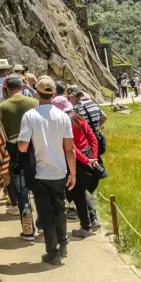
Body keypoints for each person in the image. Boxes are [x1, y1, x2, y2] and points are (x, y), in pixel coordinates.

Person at [18, 76, 75, 265]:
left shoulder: (30, 116)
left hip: (40, 172)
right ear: (54, 94)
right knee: (60, 209)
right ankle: (63, 244)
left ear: (37, 93)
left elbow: (22, 147)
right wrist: (73, 173)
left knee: (46, 213)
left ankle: (53, 252)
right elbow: (69, 149)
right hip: (60, 171)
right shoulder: (63, 117)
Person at [0, 74, 39, 240]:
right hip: (37, 154)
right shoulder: (35, 103)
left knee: (22, 194)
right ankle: (43, 226)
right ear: (23, 86)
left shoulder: (2, 108)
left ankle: (28, 230)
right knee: (40, 191)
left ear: (6, 89)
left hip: (15, 157)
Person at [54, 97, 100, 237]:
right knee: (80, 191)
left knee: (77, 193)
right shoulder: (78, 117)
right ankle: (93, 219)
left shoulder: (63, 122)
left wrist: (87, 160)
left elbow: (70, 148)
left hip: (75, 160)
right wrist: (93, 158)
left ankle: (86, 227)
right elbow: (92, 138)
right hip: (86, 157)